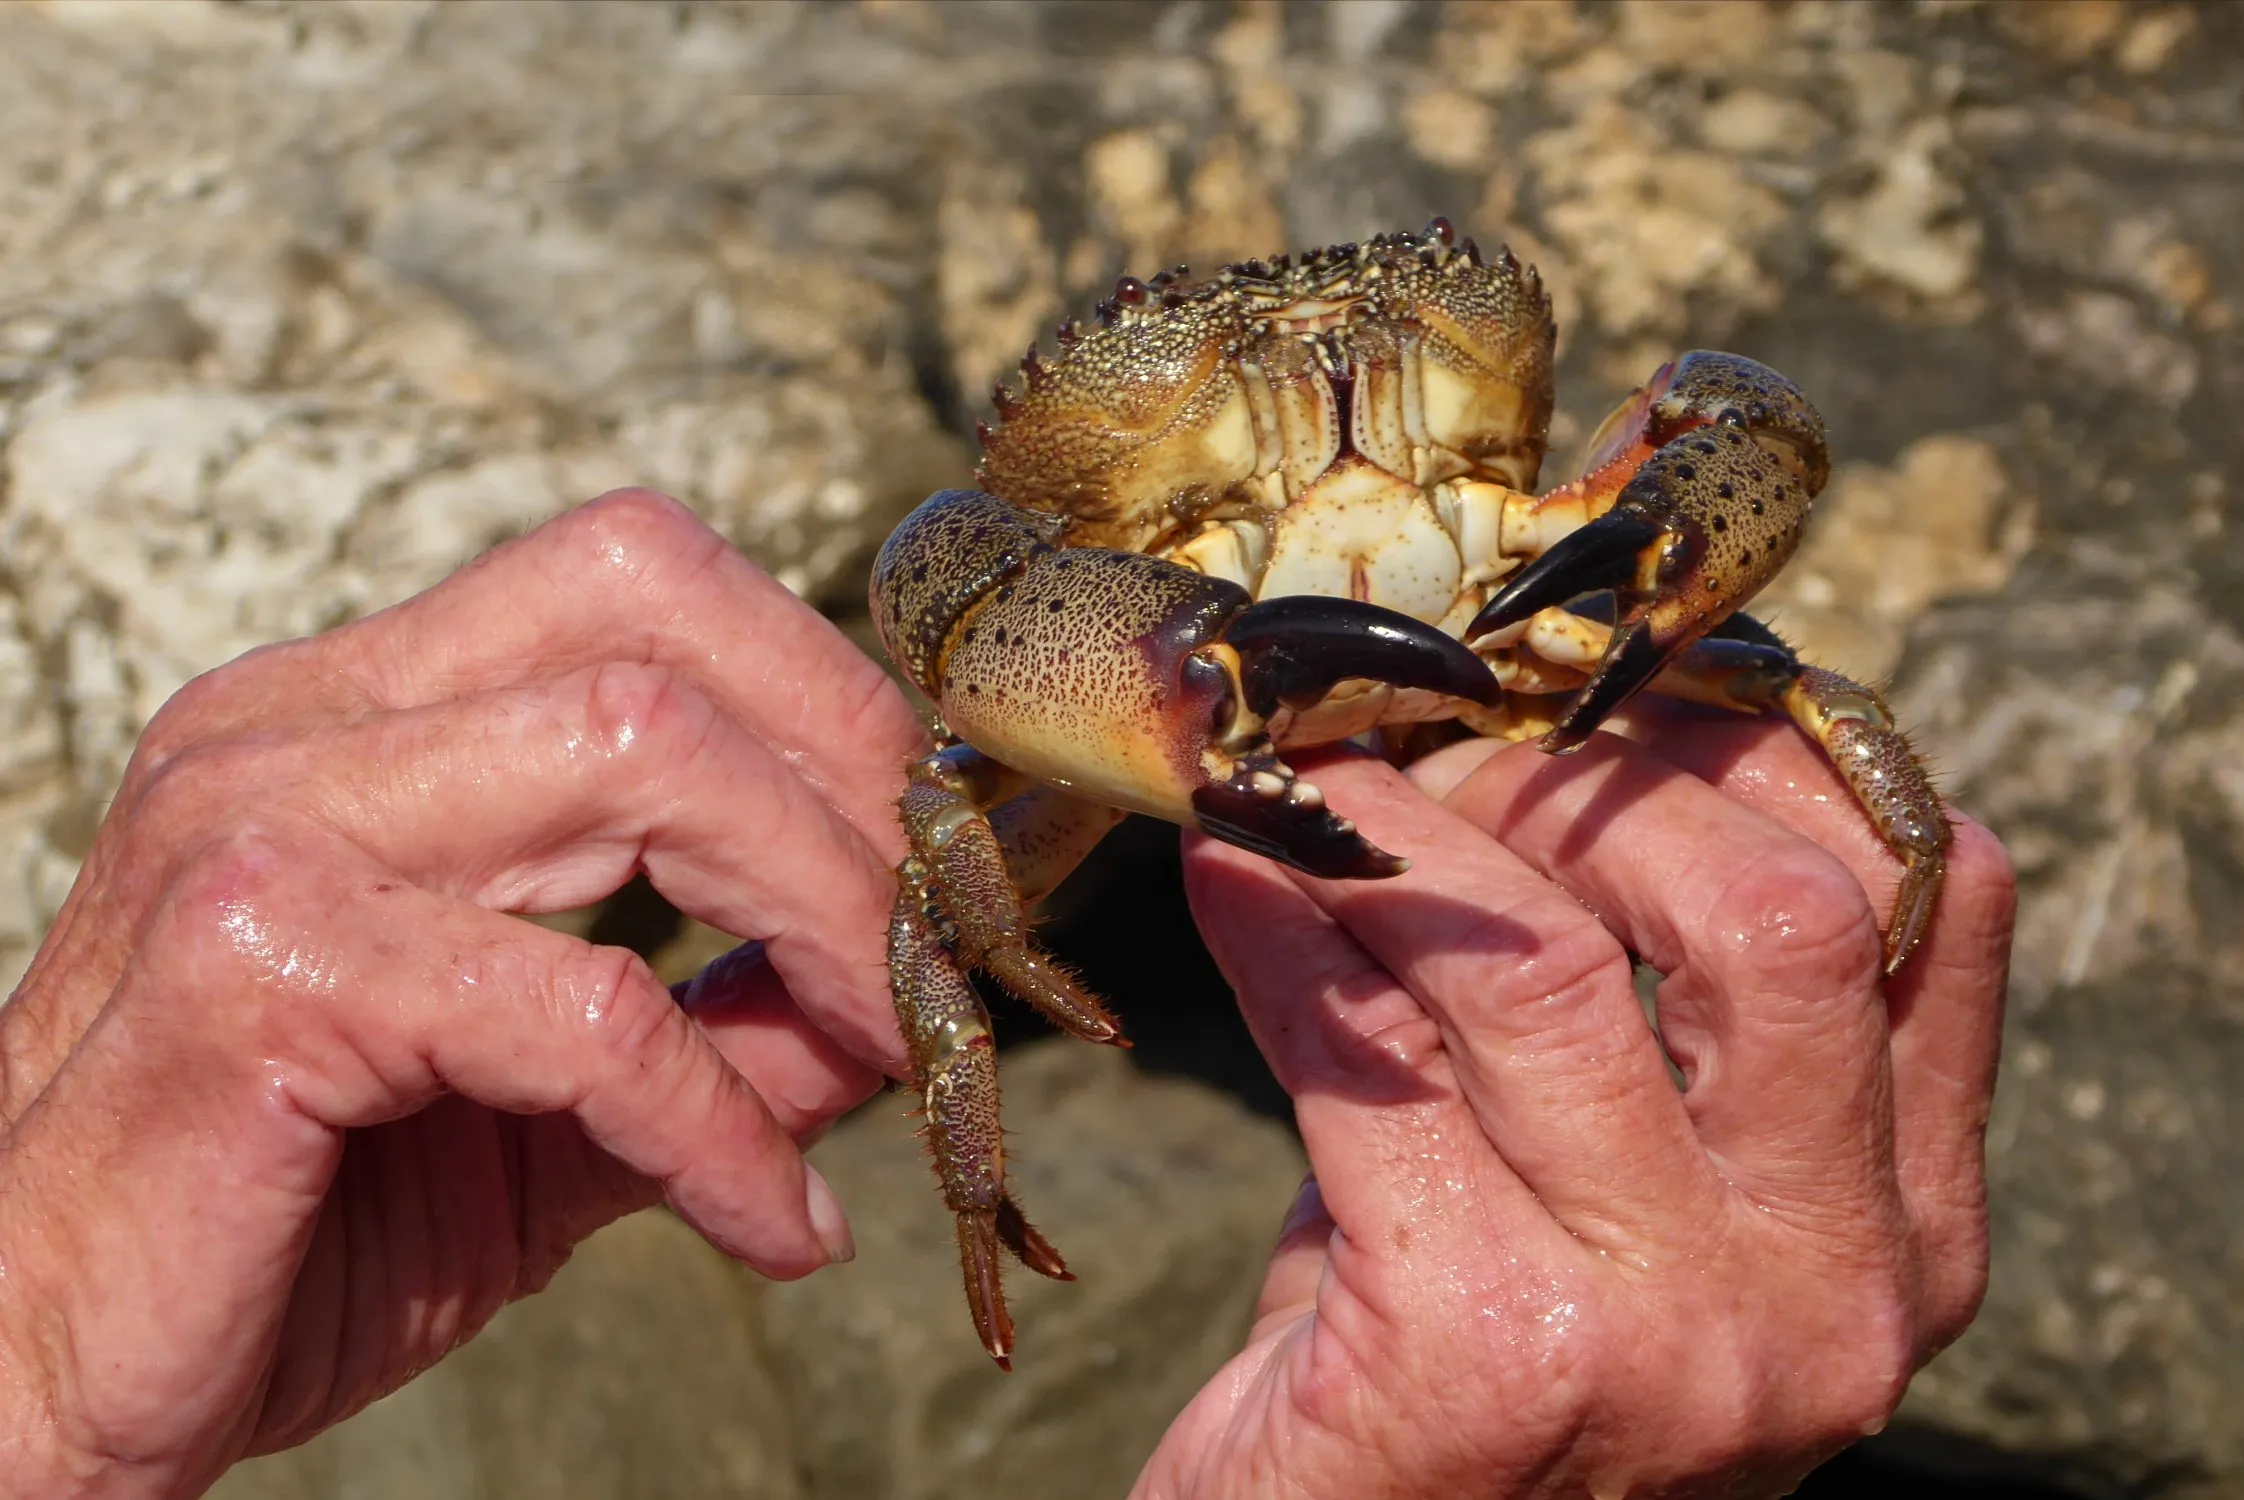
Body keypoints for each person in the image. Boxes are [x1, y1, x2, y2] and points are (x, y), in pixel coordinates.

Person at [0, 490, 2013, 1499]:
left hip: (1521, 603)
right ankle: (983, 1177)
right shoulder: (1041, 592)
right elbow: (949, 691)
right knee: (926, 897)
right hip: (1133, 671)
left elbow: (1743, 434)